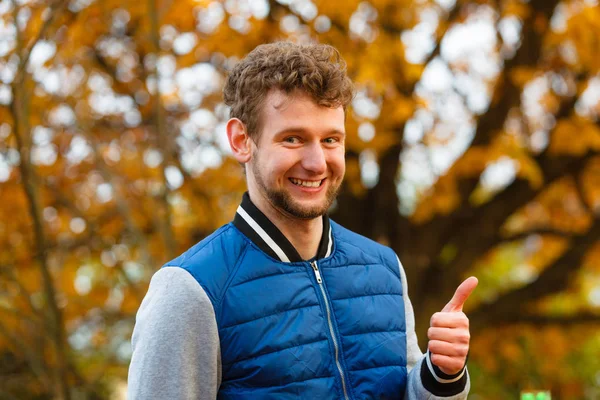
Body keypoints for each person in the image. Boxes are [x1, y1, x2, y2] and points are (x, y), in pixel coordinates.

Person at [127, 41, 478, 399]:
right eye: (293, 139)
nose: (316, 162)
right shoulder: (190, 290)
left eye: (330, 139)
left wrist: (440, 374)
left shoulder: (384, 268)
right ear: (241, 140)